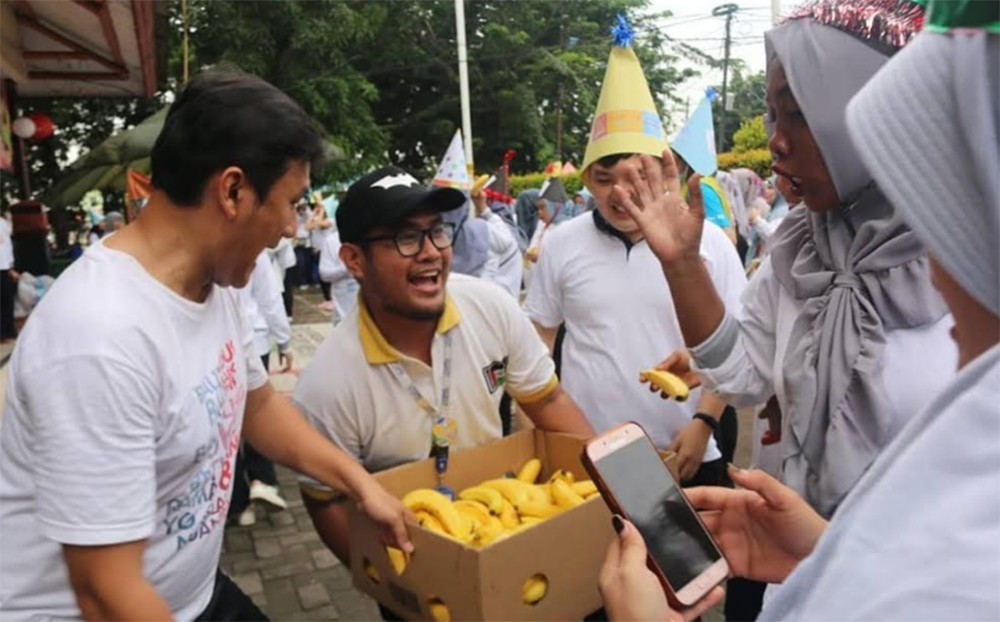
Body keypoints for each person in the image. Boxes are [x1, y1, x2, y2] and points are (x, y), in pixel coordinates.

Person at [600, 9, 999, 619]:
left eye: (801, 112)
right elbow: (741, 375)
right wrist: (681, 265)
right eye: (773, 114)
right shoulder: (799, 250)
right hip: (799, 568)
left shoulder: (970, 258)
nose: (776, 140)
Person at [0, 70, 411, 622]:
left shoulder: (217, 283)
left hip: (191, 593)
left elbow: (256, 405)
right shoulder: (98, 339)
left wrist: (361, 485)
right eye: (291, 202)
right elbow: (103, 592)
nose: (293, 228)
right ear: (233, 190)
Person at [293, 165, 595, 571]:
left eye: (437, 231)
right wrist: (392, 584)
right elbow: (324, 498)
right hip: (415, 558)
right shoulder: (327, 383)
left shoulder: (493, 308)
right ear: (354, 260)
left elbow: (549, 401)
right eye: (405, 238)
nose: (431, 251)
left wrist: (608, 492)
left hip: (509, 528)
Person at [524, 19, 747, 487]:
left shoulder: (708, 244)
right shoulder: (561, 243)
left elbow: (740, 343)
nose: (620, 194)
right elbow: (540, 339)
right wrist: (535, 433)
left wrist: (705, 421)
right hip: (591, 454)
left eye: (637, 176)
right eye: (604, 180)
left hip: (688, 448)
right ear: (587, 179)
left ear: (662, 171)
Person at [229, 250, 296, 527]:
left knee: (229, 423)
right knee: (256, 411)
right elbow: (271, 299)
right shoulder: (255, 249)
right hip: (254, 341)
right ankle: (262, 478)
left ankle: (238, 501)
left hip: (222, 345)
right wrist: (284, 342)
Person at [0, 208, 17, 341]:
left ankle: (9, 330)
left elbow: (7, 246)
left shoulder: (2, 223)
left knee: (7, 300)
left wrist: (11, 266)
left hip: (4, 266)